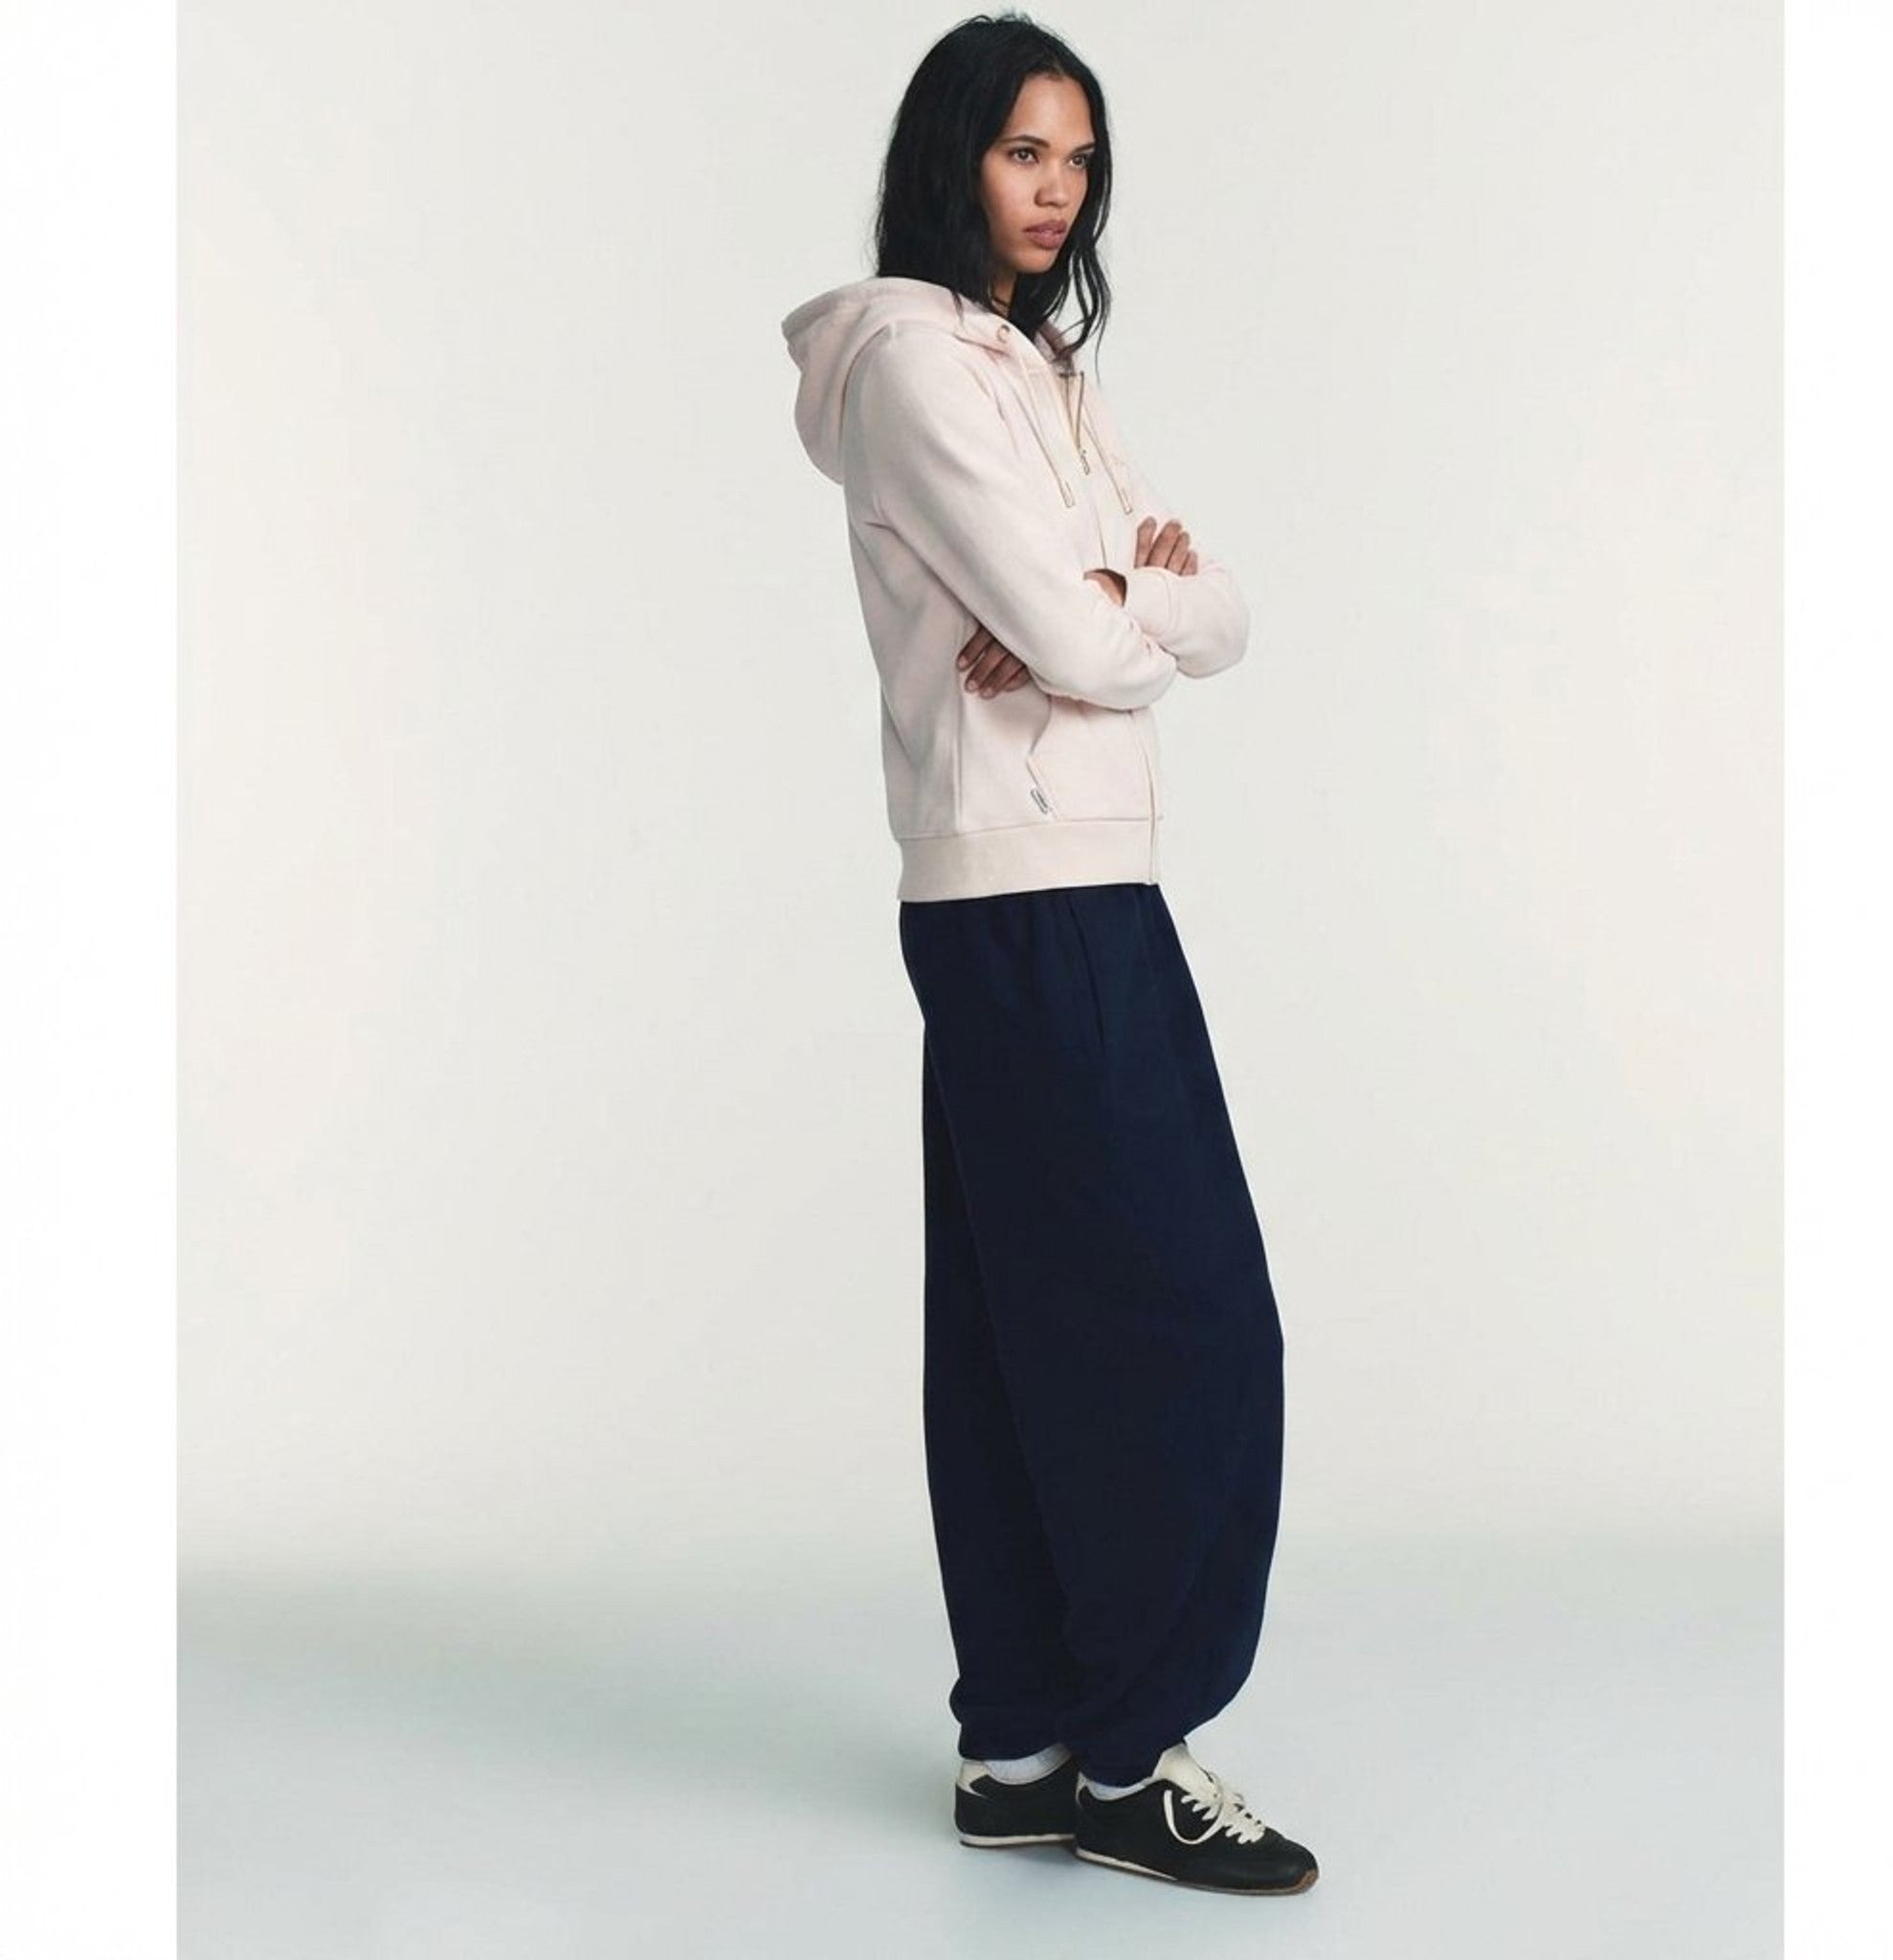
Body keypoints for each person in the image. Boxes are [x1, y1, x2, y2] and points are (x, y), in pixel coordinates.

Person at [781, 13, 1316, 1899]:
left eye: (1079, 159)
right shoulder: (917, 371)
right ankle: (1131, 1753)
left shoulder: (1039, 373)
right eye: (1024, 151)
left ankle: (1019, 1747)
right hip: (1031, 887)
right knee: (1192, 1320)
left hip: (1053, 882)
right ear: (952, 157)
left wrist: (1117, 593)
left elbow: (1211, 606)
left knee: (1021, 1327)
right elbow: (1096, 650)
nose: (1057, 190)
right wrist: (1111, 603)